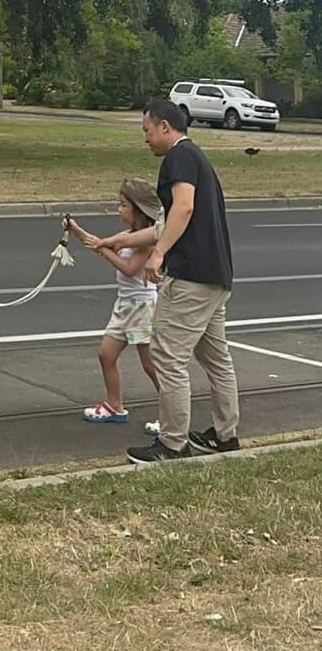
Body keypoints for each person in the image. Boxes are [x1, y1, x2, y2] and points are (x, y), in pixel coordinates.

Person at [117, 98, 240, 465]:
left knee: (167, 355)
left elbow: (183, 207)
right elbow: (167, 223)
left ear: (165, 127)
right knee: (216, 357)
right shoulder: (197, 158)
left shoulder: (179, 157)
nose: (146, 138)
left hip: (191, 277)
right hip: (216, 275)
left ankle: (172, 443)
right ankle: (225, 435)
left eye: (147, 130)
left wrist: (158, 255)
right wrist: (118, 241)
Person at [68, 179, 163, 430]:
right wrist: (76, 230)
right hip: (124, 305)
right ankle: (114, 405)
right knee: (106, 355)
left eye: (123, 205)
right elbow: (99, 243)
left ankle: (171, 413)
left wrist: (105, 248)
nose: (119, 210)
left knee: (150, 364)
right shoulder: (126, 237)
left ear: (139, 211)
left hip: (143, 307)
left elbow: (130, 269)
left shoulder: (148, 241)